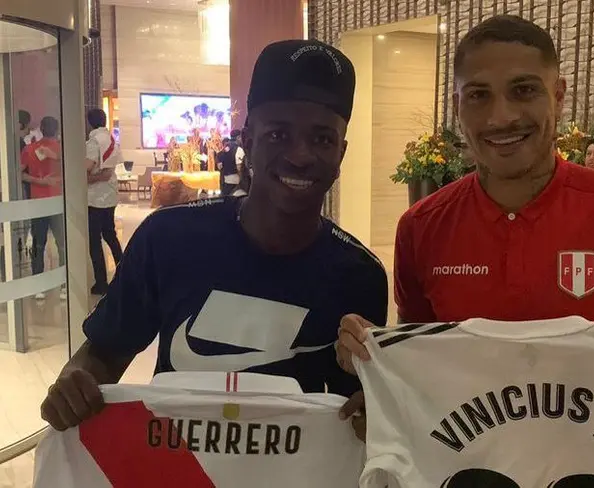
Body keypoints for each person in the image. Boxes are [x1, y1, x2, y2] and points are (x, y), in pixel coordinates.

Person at [336, 16, 594, 425]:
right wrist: (374, 369)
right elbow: (418, 363)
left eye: (523, 90)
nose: (501, 117)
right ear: (457, 107)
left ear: (558, 97)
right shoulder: (421, 227)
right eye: (478, 95)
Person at [40, 39, 388, 432]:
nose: (301, 154)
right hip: (180, 469)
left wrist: (372, 410)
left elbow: (353, 407)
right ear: (248, 142)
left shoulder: (360, 274)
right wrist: (74, 387)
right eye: (279, 134)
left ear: (341, 154)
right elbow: (103, 354)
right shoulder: (168, 239)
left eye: (322, 138)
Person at [20, 116, 66, 301]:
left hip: (37, 202)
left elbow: (21, 173)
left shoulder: (30, 149)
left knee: (38, 243)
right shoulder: (63, 149)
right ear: (56, 130)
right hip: (58, 202)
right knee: (62, 244)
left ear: (40, 128)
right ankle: (63, 284)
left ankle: (39, 285)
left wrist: (39, 181)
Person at [85, 108, 124, 295]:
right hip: (110, 195)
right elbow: (109, 171)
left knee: (94, 240)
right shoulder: (111, 140)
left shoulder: (93, 142)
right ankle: (124, 269)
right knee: (110, 234)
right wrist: (103, 175)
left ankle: (101, 282)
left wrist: (87, 177)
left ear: (89, 123)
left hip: (94, 198)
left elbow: (87, 168)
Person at [217, 128, 244, 196]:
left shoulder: (222, 150)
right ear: (238, 137)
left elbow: (219, 166)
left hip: (225, 182)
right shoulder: (238, 149)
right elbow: (239, 168)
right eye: (241, 137)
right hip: (235, 183)